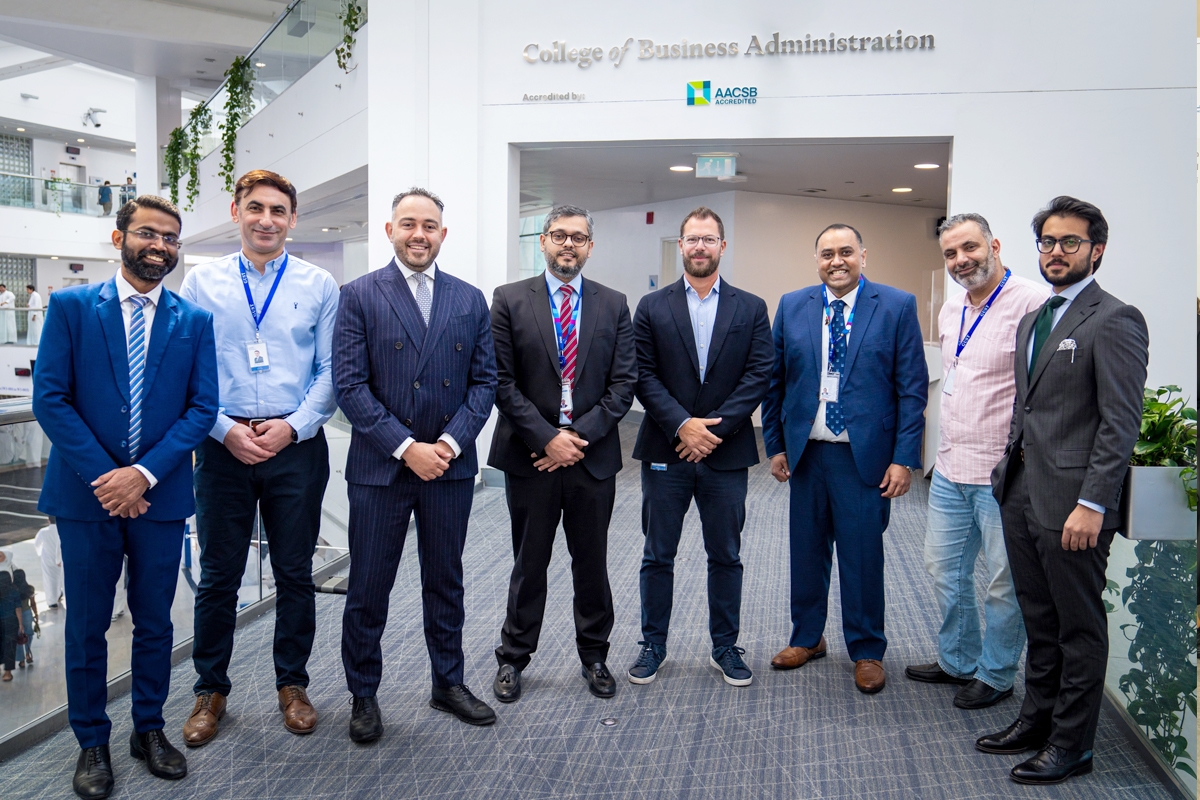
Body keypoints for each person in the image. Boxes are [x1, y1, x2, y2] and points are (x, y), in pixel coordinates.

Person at [34, 193, 218, 799]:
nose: (159, 245)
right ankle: (91, 741)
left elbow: (202, 409)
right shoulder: (71, 308)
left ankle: (148, 729)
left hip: (159, 498)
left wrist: (143, 474)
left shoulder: (193, 321)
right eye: (147, 233)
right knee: (86, 625)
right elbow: (50, 398)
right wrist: (111, 479)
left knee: (156, 622)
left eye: (170, 237)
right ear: (120, 239)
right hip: (86, 498)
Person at [978, 196, 1149, 785]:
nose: (1056, 251)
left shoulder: (1115, 319)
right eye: (1048, 242)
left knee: (1078, 627)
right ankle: (1037, 720)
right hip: (1022, 492)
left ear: (1096, 250)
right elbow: (1028, 409)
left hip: (1075, 504)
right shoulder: (1035, 318)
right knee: (1038, 616)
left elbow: (1120, 423)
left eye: (1070, 242)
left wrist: (1093, 503)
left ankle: (1072, 745)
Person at [180, 169, 338, 746]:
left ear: (292, 219)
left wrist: (291, 428)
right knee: (219, 576)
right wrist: (224, 430)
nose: (266, 220)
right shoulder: (201, 283)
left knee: (295, 572)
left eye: (277, 210)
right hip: (222, 447)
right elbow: (187, 371)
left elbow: (331, 371)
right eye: (255, 208)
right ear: (236, 212)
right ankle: (210, 690)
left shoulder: (319, 284)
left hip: (295, 448)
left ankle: (292, 684)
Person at [334, 187, 497, 742]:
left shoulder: (469, 298)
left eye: (429, 225)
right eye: (408, 224)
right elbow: (350, 386)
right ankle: (363, 694)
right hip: (382, 467)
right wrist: (408, 448)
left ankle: (448, 682)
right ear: (390, 231)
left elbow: (484, 383)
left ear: (443, 235)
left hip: (448, 467)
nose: (419, 234)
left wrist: (447, 445)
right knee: (368, 586)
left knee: (445, 580)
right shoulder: (358, 294)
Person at [761, 223, 927, 694]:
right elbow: (775, 382)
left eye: (846, 252)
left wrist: (904, 458)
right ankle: (807, 638)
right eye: (827, 253)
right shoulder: (793, 305)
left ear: (863, 256)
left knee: (862, 557)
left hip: (863, 458)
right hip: (807, 453)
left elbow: (912, 390)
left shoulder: (896, 305)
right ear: (816, 260)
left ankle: (867, 649)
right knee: (806, 552)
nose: (837, 261)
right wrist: (775, 445)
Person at [488, 205, 636, 703]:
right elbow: (501, 381)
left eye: (577, 236)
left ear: (590, 246)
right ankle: (513, 657)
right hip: (531, 457)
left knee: (591, 563)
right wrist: (546, 438)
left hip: (591, 459)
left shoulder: (613, 304)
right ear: (543, 241)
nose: (567, 244)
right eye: (558, 235)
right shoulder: (509, 299)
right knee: (529, 562)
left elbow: (624, 384)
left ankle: (595, 656)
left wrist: (575, 439)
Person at [904, 214, 1049, 709]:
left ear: (994, 245)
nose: (961, 260)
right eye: (950, 253)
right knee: (944, 569)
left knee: (1004, 582)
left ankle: (996, 673)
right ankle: (958, 661)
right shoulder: (951, 310)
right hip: (949, 468)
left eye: (970, 248)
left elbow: (1044, 391)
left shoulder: (1032, 303)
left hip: (1003, 473)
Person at [627, 207, 773, 688]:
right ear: (681, 245)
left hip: (726, 453)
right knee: (658, 554)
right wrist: (681, 426)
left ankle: (725, 646)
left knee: (726, 554)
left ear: (722, 246)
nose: (700, 247)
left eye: (709, 239)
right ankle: (653, 644)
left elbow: (758, 374)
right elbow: (642, 374)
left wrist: (713, 431)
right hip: (665, 449)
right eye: (692, 239)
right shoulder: (652, 306)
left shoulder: (750, 307)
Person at [34, 518, 64, 608]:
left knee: (50, 579)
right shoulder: (61, 530)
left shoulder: (43, 531)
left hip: (48, 558)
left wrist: (39, 553)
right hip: (61, 559)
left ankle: (52, 601)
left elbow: (37, 544)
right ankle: (59, 593)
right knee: (61, 578)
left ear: (48, 520)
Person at [0, 571, 23, 682]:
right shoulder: (14, 592)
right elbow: (17, 609)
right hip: (11, 621)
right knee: (10, 646)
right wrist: (21, 624)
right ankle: (7, 673)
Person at [13, 569, 37, 667]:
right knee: (29, 634)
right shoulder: (30, 589)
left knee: (18, 636)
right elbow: (33, 603)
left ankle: (21, 660)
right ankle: (28, 654)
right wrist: (36, 614)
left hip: (15, 614)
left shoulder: (12, 590)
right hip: (27, 613)